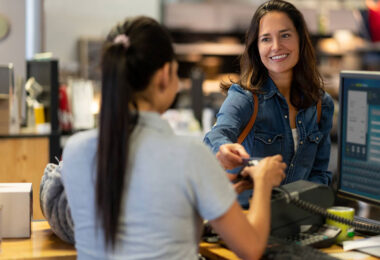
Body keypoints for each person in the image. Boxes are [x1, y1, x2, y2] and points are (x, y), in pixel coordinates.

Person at [53, 16, 286, 259]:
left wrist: (216, 193)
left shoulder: (75, 150)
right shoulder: (190, 155)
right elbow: (252, 248)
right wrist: (263, 183)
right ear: (165, 74)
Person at [204, 0, 334, 208]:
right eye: (266, 39)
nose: (276, 46)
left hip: (298, 221)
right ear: (256, 47)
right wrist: (224, 149)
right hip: (248, 218)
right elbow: (217, 134)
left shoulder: (321, 104)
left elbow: (319, 173)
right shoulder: (245, 96)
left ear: (300, 39)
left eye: (285, 35)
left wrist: (312, 212)